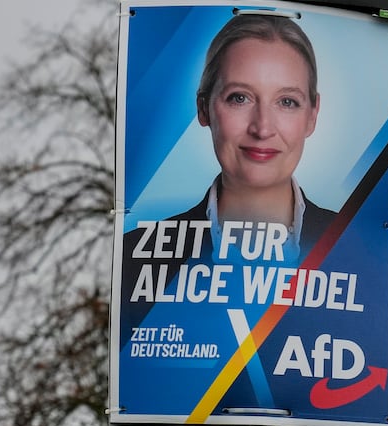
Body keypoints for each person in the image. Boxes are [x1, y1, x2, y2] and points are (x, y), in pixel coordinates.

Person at [120, 13, 335, 325]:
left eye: (287, 102)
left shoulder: (357, 250)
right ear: (204, 108)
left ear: (312, 115)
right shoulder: (137, 256)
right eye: (240, 98)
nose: (262, 128)